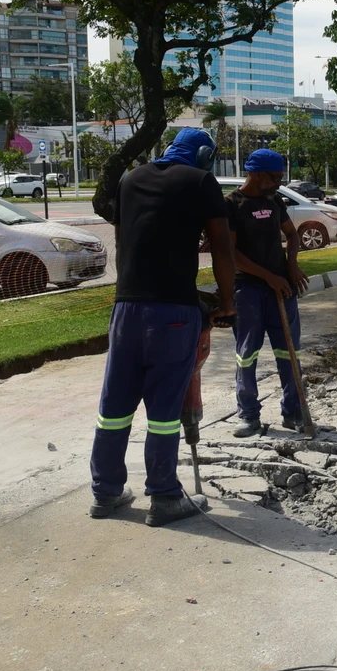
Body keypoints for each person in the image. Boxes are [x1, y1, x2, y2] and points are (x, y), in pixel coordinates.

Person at [89, 128, 236, 525]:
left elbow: (123, 243)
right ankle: (166, 496)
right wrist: (227, 302)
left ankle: (106, 492)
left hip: (126, 308)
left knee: (115, 405)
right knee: (164, 410)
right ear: (204, 155)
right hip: (173, 311)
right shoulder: (201, 180)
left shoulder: (130, 179)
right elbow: (222, 246)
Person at [227, 149, 310, 438]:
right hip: (248, 291)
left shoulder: (274, 200)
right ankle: (248, 415)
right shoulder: (233, 205)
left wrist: (291, 264)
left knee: (288, 352)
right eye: (274, 178)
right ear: (257, 174)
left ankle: (293, 411)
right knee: (247, 354)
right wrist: (268, 278)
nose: (278, 183)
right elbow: (232, 254)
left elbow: (292, 234)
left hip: (281, 288)